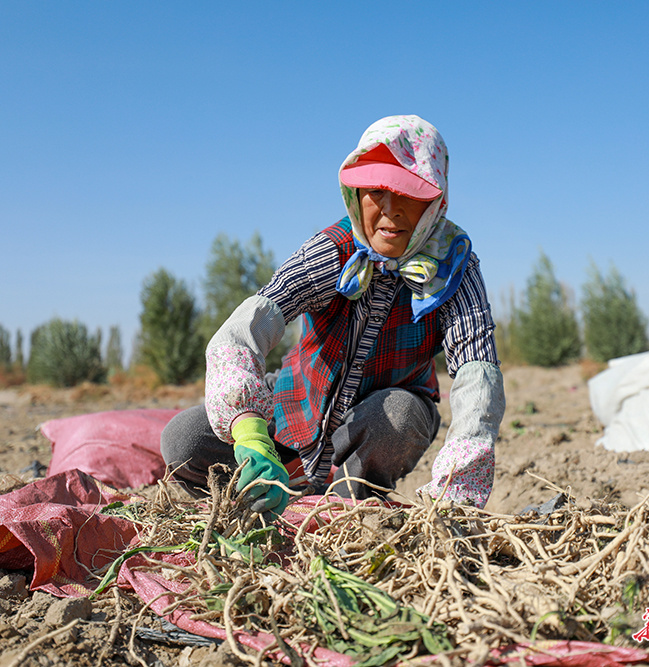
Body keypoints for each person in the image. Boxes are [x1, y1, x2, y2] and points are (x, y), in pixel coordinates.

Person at [160, 114, 505, 515]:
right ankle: (275, 478)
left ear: (436, 201)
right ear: (355, 194)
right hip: (297, 402)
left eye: (410, 194)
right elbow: (243, 332)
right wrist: (251, 434)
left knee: (398, 414)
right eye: (376, 191)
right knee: (183, 441)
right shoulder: (332, 250)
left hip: (382, 421)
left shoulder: (456, 267)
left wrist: (455, 494)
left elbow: (478, 379)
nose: (390, 211)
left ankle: (346, 503)